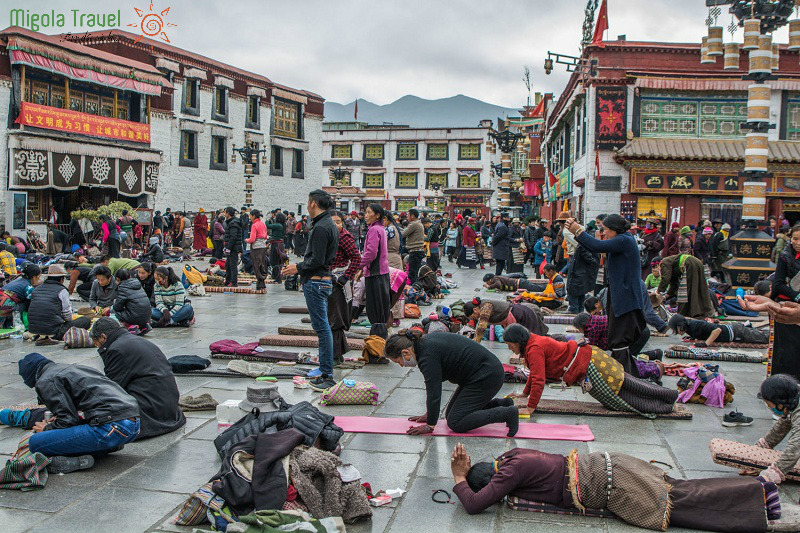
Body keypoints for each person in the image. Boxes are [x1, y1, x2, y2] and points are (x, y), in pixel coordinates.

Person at [449, 443, 776, 532]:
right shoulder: (512, 455)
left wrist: (458, 478)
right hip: (611, 464)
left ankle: (757, 501)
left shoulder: (509, 474)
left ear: (492, 481)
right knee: (680, 488)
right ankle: (758, 492)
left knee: (680, 505)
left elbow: (476, 504)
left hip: (611, 483)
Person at [503, 324, 676, 417]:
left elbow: (539, 378)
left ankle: (664, 404)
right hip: (590, 359)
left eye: (510, 344)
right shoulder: (532, 343)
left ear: (518, 341)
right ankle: (667, 396)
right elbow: (535, 373)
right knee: (627, 386)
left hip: (590, 365)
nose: (510, 348)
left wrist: (530, 407)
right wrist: (524, 395)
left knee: (621, 398)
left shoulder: (534, 348)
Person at [15, 353, 140, 474]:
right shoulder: (70, 368)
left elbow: (68, 421)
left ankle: (74, 460)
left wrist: (47, 428)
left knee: (35, 442)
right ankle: (106, 447)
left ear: (31, 378)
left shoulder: (45, 380)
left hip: (110, 427)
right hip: (133, 424)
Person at [384, 330, 519, 436]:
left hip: (487, 376)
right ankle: (502, 404)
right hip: (480, 374)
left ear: (405, 352)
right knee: (451, 415)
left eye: (398, 361)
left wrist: (430, 425)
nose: (402, 366)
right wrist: (430, 414)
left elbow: (434, 391)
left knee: (456, 422)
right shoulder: (424, 344)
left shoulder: (426, 356)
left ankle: (507, 413)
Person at [564, 214, 647, 377]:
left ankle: (624, 381)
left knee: (619, 339)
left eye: (606, 230)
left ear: (615, 230)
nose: (605, 234)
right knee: (617, 338)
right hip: (621, 296)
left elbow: (596, 246)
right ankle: (625, 378)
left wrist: (578, 231)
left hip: (626, 298)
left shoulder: (624, 240)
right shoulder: (623, 240)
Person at [281, 190, 339, 392]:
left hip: (317, 281)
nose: (307, 204)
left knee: (322, 328)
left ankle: (327, 373)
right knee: (322, 327)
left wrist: (297, 267)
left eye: (308, 201)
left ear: (313, 203)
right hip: (319, 280)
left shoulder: (322, 227)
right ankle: (325, 370)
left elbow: (318, 260)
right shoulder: (325, 223)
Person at [89, 318, 185, 438]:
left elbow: (112, 389)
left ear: (103, 337)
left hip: (151, 412)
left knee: (100, 413)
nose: (96, 345)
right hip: (169, 408)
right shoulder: (134, 340)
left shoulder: (116, 349)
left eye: (95, 341)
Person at [327, 211, 361, 366]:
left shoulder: (344, 237)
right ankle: (337, 354)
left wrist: (346, 276)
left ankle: (335, 356)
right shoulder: (331, 236)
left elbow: (356, 258)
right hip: (332, 279)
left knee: (336, 316)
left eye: (338, 221)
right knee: (334, 315)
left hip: (339, 281)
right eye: (332, 221)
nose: (336, 224)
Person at [359, 204, 391, 339]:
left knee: (375, 311)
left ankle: (377, 346)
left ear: (377, 215)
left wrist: (358, 266)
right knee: (381, 311)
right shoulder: (380, 229)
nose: (365, 215)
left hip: (375, 275)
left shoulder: (374, 230)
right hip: (381, 274)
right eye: (365, 212)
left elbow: (371, 253)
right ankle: (380, 342)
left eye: (368, 212)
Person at [463, 297, 548, 344]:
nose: (475, 318)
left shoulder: (486, 306)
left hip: (522, 315)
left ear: (475, 310)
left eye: (473, 316)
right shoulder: (482, 307)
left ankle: (558, 340)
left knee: (534, 341)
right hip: (517, 317)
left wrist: (474, 343)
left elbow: (482, 326)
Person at [658, 253, 715, 318]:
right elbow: (673, 282)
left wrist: (659, 292)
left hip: (690, 264)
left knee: (686, 291)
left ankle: (688, 313)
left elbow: (665, 279)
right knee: (699, 288)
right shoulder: (670, 263)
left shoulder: (664, 263)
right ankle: (703, 311)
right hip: (696, 262)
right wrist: (668, 294)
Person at [668, 314, 767, 346]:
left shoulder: (696, 325)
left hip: (736, 332)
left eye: (677, 329)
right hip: (735, 331)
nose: (678, 333)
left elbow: (717, 330)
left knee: (765, 338)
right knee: (761, 335)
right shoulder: (689, 327)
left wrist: (706, 343)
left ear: (681, 325)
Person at [565, 239, 598, 314]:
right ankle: (579, 311)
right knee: (580, 293)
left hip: (578, 275)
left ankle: (574, 310)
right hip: (580, 274)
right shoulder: (585, 245)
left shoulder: (583, 246)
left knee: (575, 292)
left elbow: (590, 260)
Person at [384, 212, 404, 325]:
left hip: (390, 259)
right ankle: (395, 317)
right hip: (395, 258)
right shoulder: (394, 228)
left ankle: (392, 316)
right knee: (396, 288)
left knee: (391, 288)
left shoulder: (389, 230)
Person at [246, 209, 268, 290]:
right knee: (262, 264)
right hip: (263, 246)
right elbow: (265, 236)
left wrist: (246, 240)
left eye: (250, 215)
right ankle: (262, 282)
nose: (250, 217)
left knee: (256, 265)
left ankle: (260, 282)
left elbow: (252, 239)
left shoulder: (254, 225)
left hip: (256, 247)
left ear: (253, 216)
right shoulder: (263, 224)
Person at [403, 209, 425, 284]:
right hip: (418, 251)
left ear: (412, 216)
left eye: (408, 215)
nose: (407, 217)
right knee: (415, 273)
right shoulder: (418, 223)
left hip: (415, 251)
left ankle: (415, 290)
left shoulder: (414, 224)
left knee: (412, 274)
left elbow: (403, 234)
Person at [223, 207, 243, 287]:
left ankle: (234, 283)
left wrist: (228, 247)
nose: (224, 214)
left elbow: (233, 237)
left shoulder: (233, 223)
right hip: (231, 247)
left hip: (233, 248)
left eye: (225, 212)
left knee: (233, 265)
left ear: (228, 213)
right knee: (228, 265)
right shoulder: (231, 222)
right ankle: (228, 281)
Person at [267, 212, 287, 283]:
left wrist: (267, 219)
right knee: (278, 261)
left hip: (276, 245)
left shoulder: (278, 225)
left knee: (274, 261)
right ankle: (276, 277)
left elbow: (267, 225)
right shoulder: (282, 225)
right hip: (279, 244)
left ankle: (277, 277)